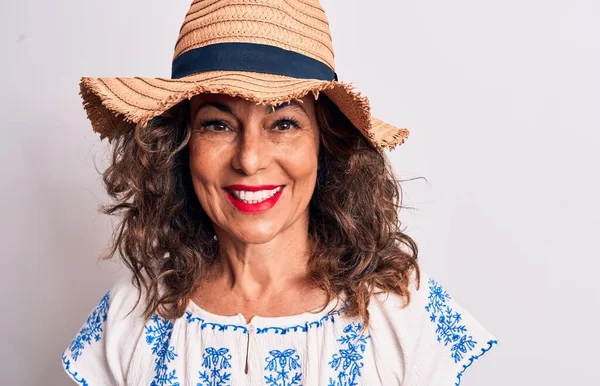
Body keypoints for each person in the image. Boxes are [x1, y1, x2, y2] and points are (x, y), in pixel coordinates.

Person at [61, 1, 497, 385]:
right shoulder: (130, 316)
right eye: (218, 124)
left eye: (284, 123)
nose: (250, 159)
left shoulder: (402, 313)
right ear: (180, 145)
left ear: (325, 144)